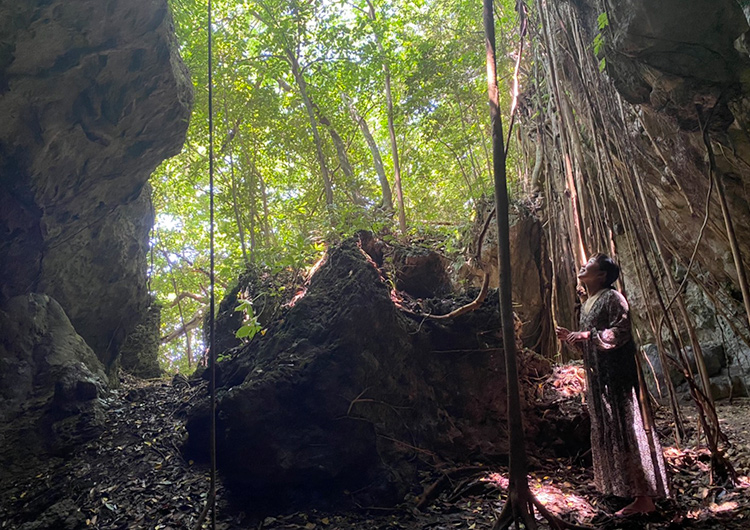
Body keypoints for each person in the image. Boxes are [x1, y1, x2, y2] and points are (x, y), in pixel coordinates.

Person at [555, 253, 669, 517]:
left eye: (589, 266)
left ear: (602, 275)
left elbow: (621, 331)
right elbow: (590, 340)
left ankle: (645, 497)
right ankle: (623, 487)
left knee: (626, 427)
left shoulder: (613, 298)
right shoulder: (586, 303)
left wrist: (588, 335)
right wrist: (574, 338)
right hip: (597, 376)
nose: (582, 267)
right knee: (608, 428)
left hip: (617, 374)